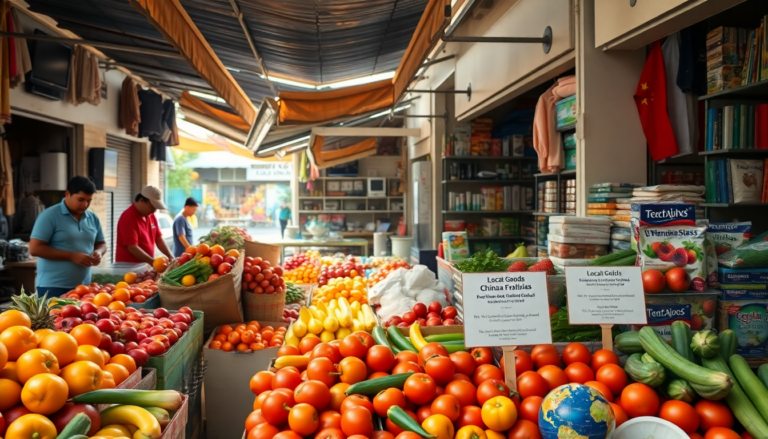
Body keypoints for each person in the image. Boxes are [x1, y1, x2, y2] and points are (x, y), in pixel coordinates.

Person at [29, 176, 107, 297]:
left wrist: (99, 252)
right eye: (80, 199)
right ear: (67, 194)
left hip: (83, 288)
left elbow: (101, 243)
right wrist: (71, 256)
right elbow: (35, 249)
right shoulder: (49, 216)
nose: (85, 204)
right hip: (53, 287)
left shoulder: (93, 218)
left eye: (88, 200)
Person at [115, 185, 173, 264]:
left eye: (156, 208)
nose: (154, 211)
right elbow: (132, 247)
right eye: (152, 207)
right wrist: (153, 262)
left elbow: (158, 238)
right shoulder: (128, 217)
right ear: (142, 200)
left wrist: (170, 256)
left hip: (145, 266)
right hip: (129, 268)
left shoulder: (151, 215)